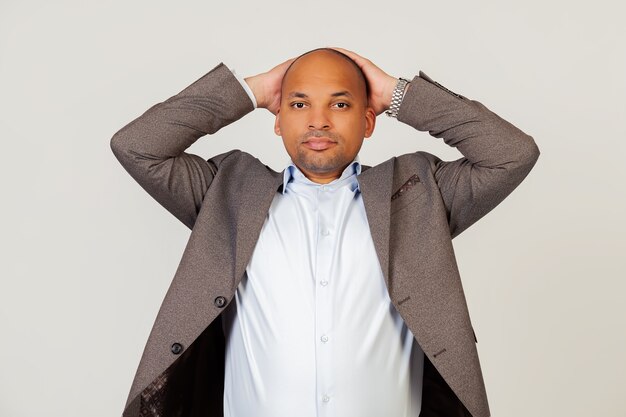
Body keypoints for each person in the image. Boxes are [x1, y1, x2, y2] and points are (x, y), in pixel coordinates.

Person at [110, 47, 540, 417]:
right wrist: (254, 91)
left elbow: (512, 155)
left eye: (339, 104)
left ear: (369, 121)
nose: (318, 121)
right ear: (277, 120)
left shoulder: (419, 193)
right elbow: (137, 145)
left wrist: (397, 93)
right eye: (299, 105)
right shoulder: (227, 191)